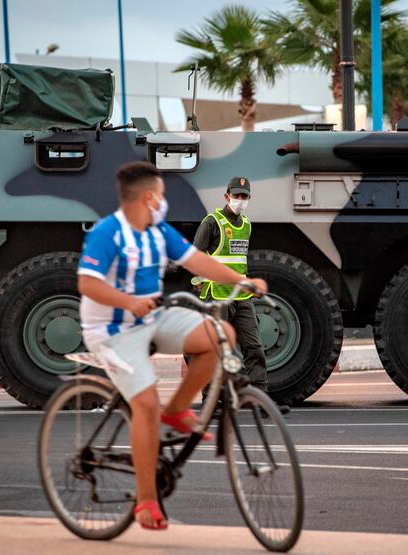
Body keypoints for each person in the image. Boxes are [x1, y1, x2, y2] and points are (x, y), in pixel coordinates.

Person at [77, 161, 267, 531]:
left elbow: (198, 261)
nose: (164, 202)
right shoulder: (107, 233)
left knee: (222, 335)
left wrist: (241, 282)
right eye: (161, 195)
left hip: (151, 317)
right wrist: (127, 301)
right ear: (148, 198)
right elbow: (88, 284)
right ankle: (146, 500)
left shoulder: (157, 231)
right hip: (113, 328)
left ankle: (177, 408)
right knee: (145, 403)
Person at [191, 177, 268, 393]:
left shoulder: (246, 225)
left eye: (244, 196)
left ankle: (261, 398)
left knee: (254, 348)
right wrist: (199, 282)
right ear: (227, 196)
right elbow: (195, 256)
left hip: (242, 297)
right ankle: (211, 399)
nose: (240, 200)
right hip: (217, 296)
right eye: (236, 196)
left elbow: (240, 261)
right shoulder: (212, 222)